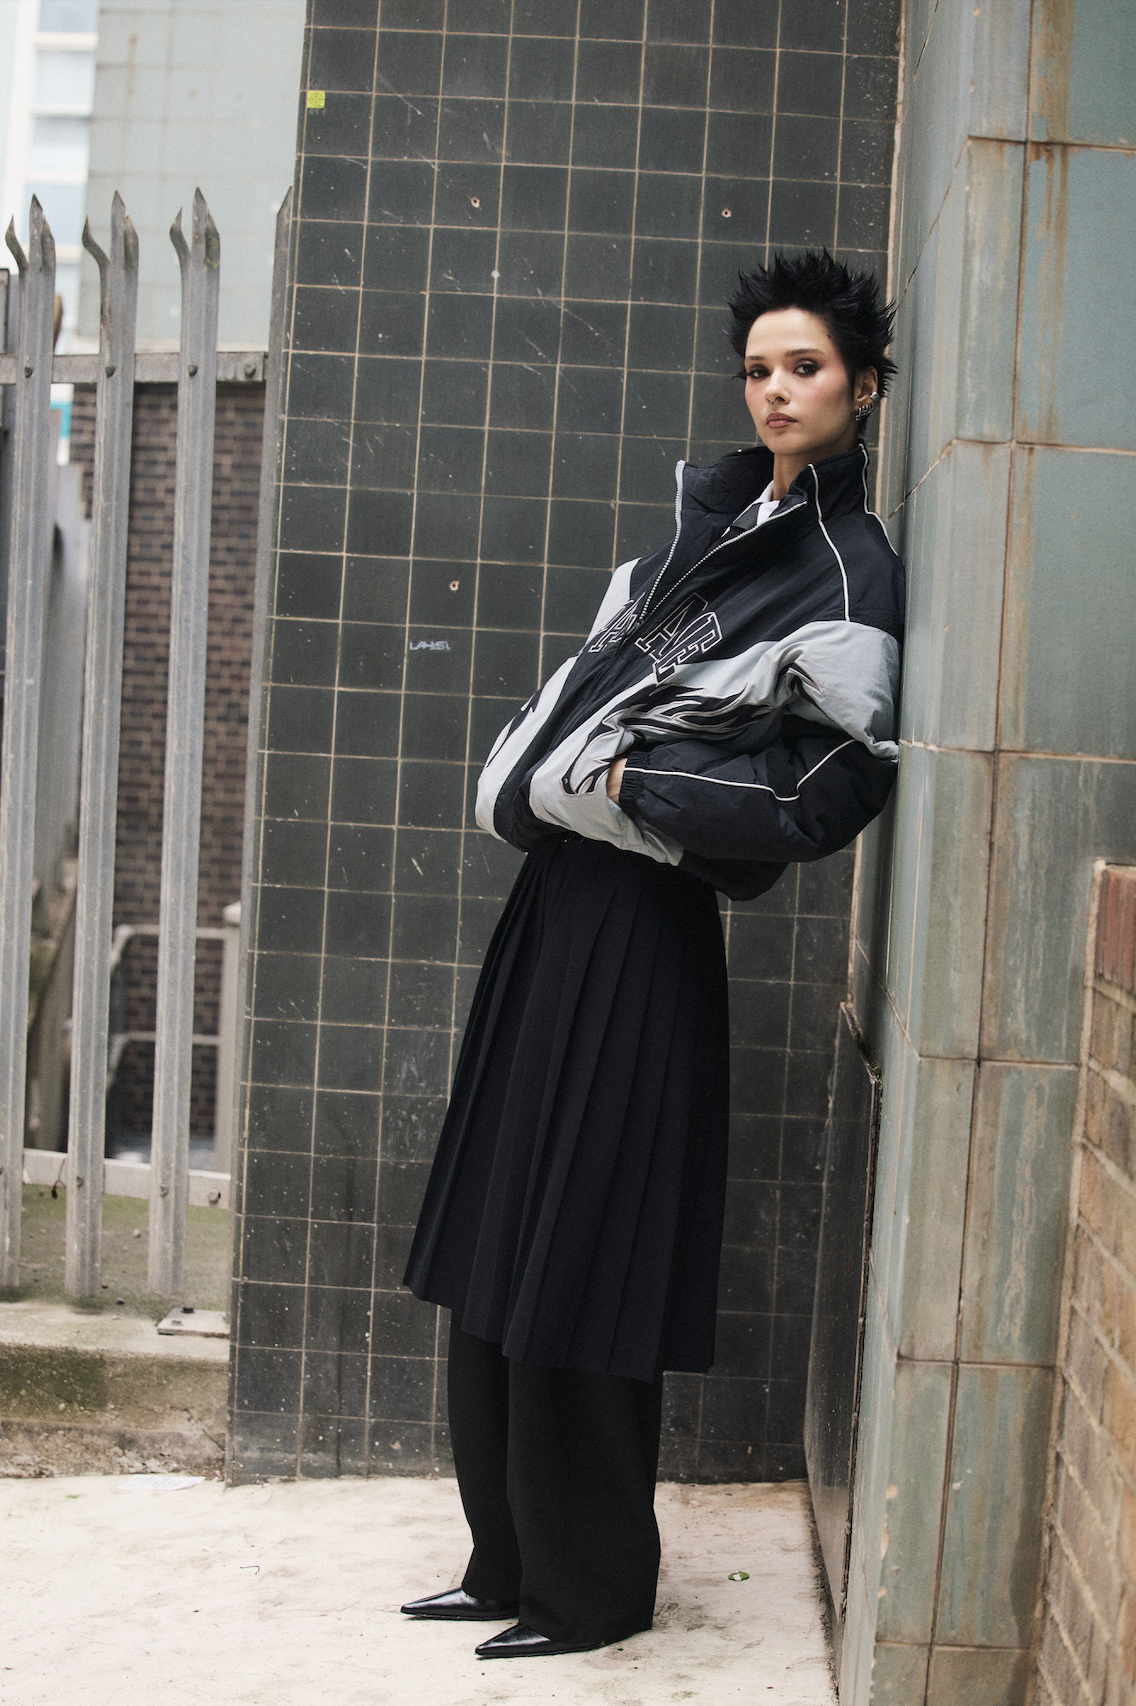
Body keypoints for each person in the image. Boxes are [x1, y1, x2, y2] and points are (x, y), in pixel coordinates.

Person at [399, 250, 904, 1660]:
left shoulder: (849, 571)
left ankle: (592, 1588)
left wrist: (633, 785)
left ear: (863, 386)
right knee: (502, 1218)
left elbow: (829, 789)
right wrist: (565, 773)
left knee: (581, 1242)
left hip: (644, 925)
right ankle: (505, 1559)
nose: (777, 390)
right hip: (560, 901)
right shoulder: (708, 528)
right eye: (759, 369)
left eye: (806, 367)